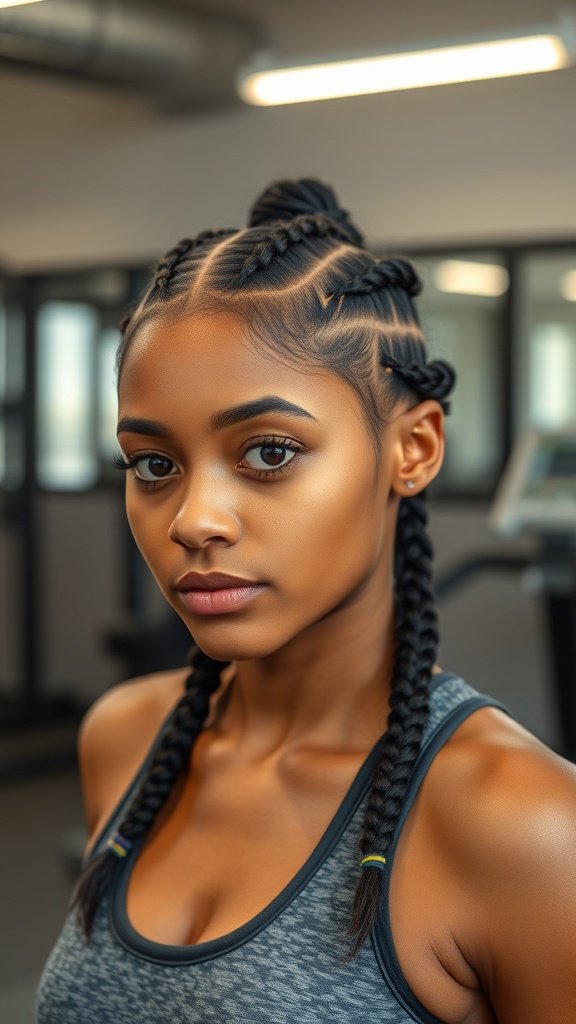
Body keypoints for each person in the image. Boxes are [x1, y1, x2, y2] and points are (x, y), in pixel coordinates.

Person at [37, 179, 576, 1024]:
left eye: (271, 451)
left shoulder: (529, 826)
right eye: (152, 464)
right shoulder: (123, 739)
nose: (193, 520)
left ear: (414, 448)